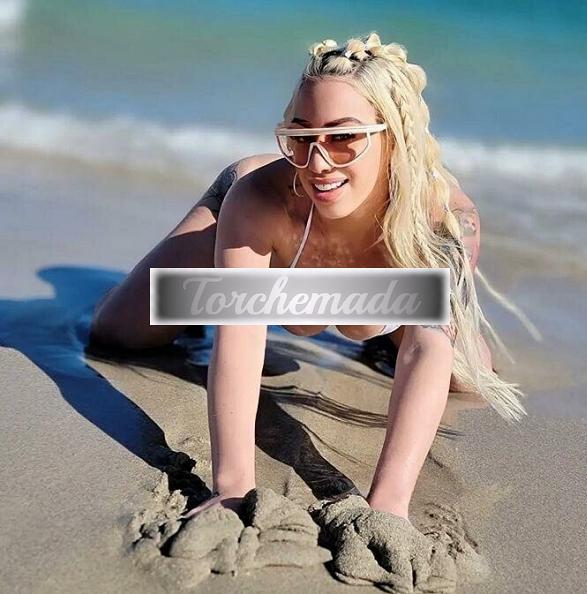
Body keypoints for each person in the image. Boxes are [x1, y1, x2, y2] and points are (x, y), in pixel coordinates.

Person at [90, 32, 529, 521]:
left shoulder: (443, 217)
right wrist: (233, 489)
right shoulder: (258, 198)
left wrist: (388, 503)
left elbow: (427, 348)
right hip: (263, 239)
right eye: (301, 136)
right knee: (117, 331)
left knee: (470, 376)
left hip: (371, 291)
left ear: (394, 136)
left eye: (343, 137)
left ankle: (384, 329)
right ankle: (209, 285)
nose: (317, 162)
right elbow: (240, 334)